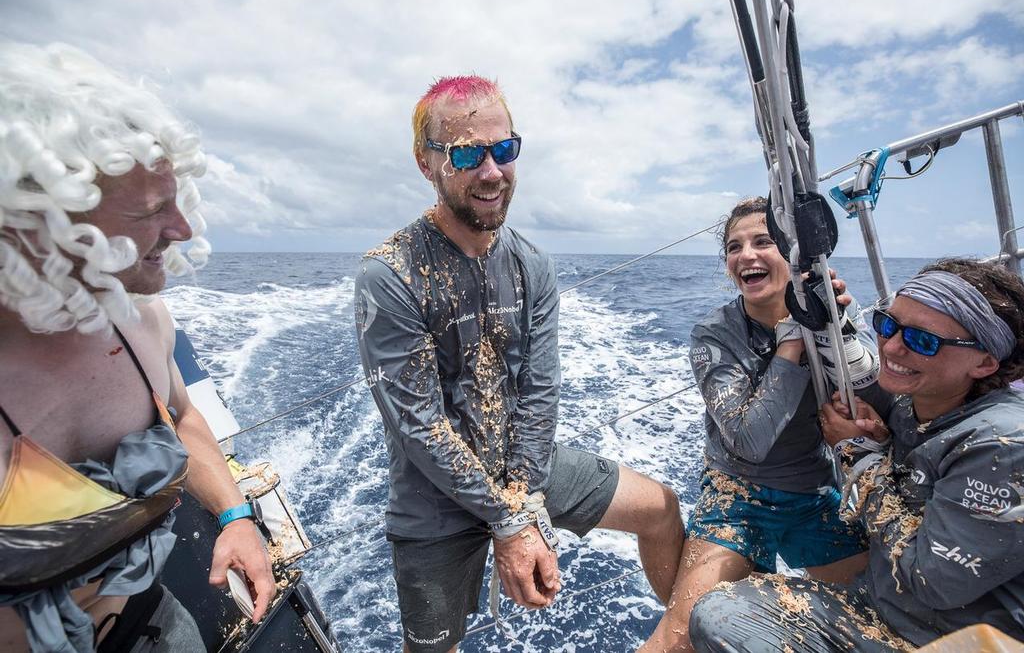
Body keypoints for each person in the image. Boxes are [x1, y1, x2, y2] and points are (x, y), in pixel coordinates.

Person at [354, 75, 686, 653]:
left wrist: (524, 500)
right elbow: (419, 425)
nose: (490, 171)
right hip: (434, 495)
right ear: (426, 163)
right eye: (465, 154)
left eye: (503, 149)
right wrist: (509, 522)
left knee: (661, 509)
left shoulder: (534, 264)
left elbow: (538, 390)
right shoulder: (390, 274)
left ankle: (681, 642)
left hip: (523, 467)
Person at [0, 42, 275, 653]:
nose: (182, 229)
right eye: (153, 210)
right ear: (43, 226)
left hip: (150, 621)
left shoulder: (142, 320)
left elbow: (179, 416)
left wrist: (235, 516)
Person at [689, 257, 1024, 651]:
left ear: (985, 362)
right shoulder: (912, 405)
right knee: (720, 613)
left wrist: (858, 455)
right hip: (887, 603)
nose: (892, 346)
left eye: (923, 341)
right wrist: (835, 323)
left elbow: (933, 582)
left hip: (941, 636)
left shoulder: (1003, 447)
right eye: (887, 324)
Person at [641, 197, 878, 652]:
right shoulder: (714, 335)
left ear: (792, 257)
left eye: (763, 241)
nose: (745, 255)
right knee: (674, 641)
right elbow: (749, 440)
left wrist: (841, 329)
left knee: (882, 617)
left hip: (813, 498)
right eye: (734, 247)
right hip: (737, 497)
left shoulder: (833, 316)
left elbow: (877, 400)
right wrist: (792, 338)